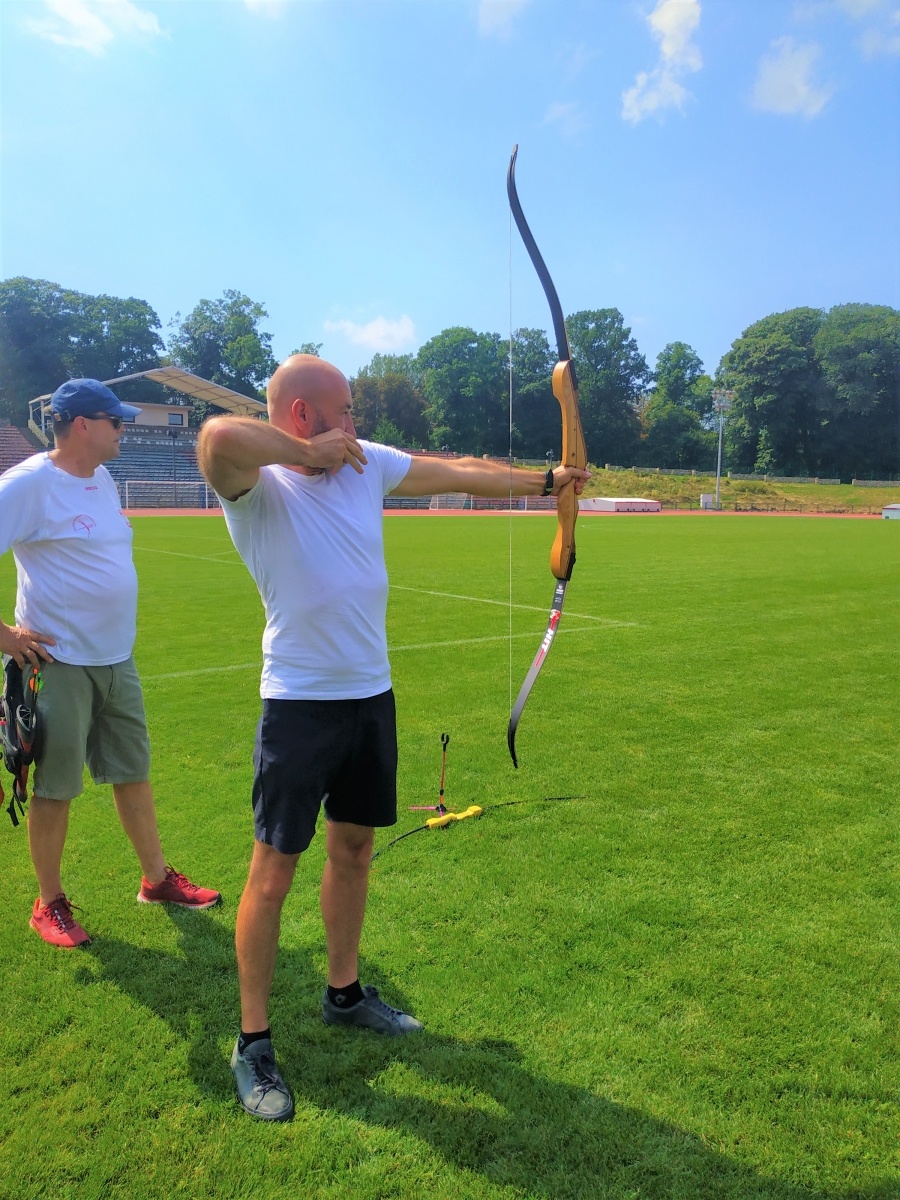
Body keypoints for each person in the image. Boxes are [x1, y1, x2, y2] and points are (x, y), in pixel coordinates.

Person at [197, 353, 589, 1122]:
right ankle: (252, 1043)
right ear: (304, 416)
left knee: (354, 851)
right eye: (344, 409)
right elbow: (216, 438)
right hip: (299, 706)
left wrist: (550, 482)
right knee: (271, 873)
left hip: (370, 697)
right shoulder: (258, 485)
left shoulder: (366, 464)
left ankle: (343, 994)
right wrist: (306, 456)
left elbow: (459, 472)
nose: (356, 422)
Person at [0, 378, 221, 950]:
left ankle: (156, 880)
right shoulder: (28, 485)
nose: (126, 428)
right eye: (116, 421)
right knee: (55, 788)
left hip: (116, 659)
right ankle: (47, 903)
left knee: (132, 772)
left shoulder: (101, 479)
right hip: (60, 662)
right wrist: (3, 636)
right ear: (82, 425)